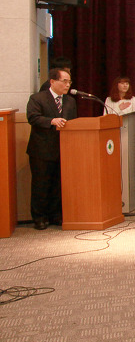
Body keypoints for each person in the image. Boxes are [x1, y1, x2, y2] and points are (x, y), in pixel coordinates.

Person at [26, 68, 77, 230]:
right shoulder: (37, 98)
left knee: (58, 184)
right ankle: (39, 217)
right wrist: (51, 121)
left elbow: (73, 122)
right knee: (41, 185)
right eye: (64, 81)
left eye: (69, 82)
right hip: (42, 149)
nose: (68, 85)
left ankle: (56, 215)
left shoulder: (70, 101)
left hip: (63, 149)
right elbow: (33, 118)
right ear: (53, 82)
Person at [104, 75, 135, 144]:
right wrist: (119, 109)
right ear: (116, 85)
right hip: (113, 133)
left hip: (128, 133)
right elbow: (106, 119)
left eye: (127, 83)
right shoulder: (109, 100)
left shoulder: (133, 100)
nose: (125, 85)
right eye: (122, 83)